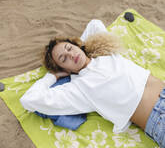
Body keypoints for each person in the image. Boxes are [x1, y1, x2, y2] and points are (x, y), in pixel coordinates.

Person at [20, 20, 165, 148]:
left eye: (69, 48)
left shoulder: (104, 53)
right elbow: (29, 100)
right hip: (158, 118)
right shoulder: (79, 89)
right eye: (64, 59)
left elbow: (94, 24)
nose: (71, 55)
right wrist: (52, 76)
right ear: (64, 69)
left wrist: (81, 47)